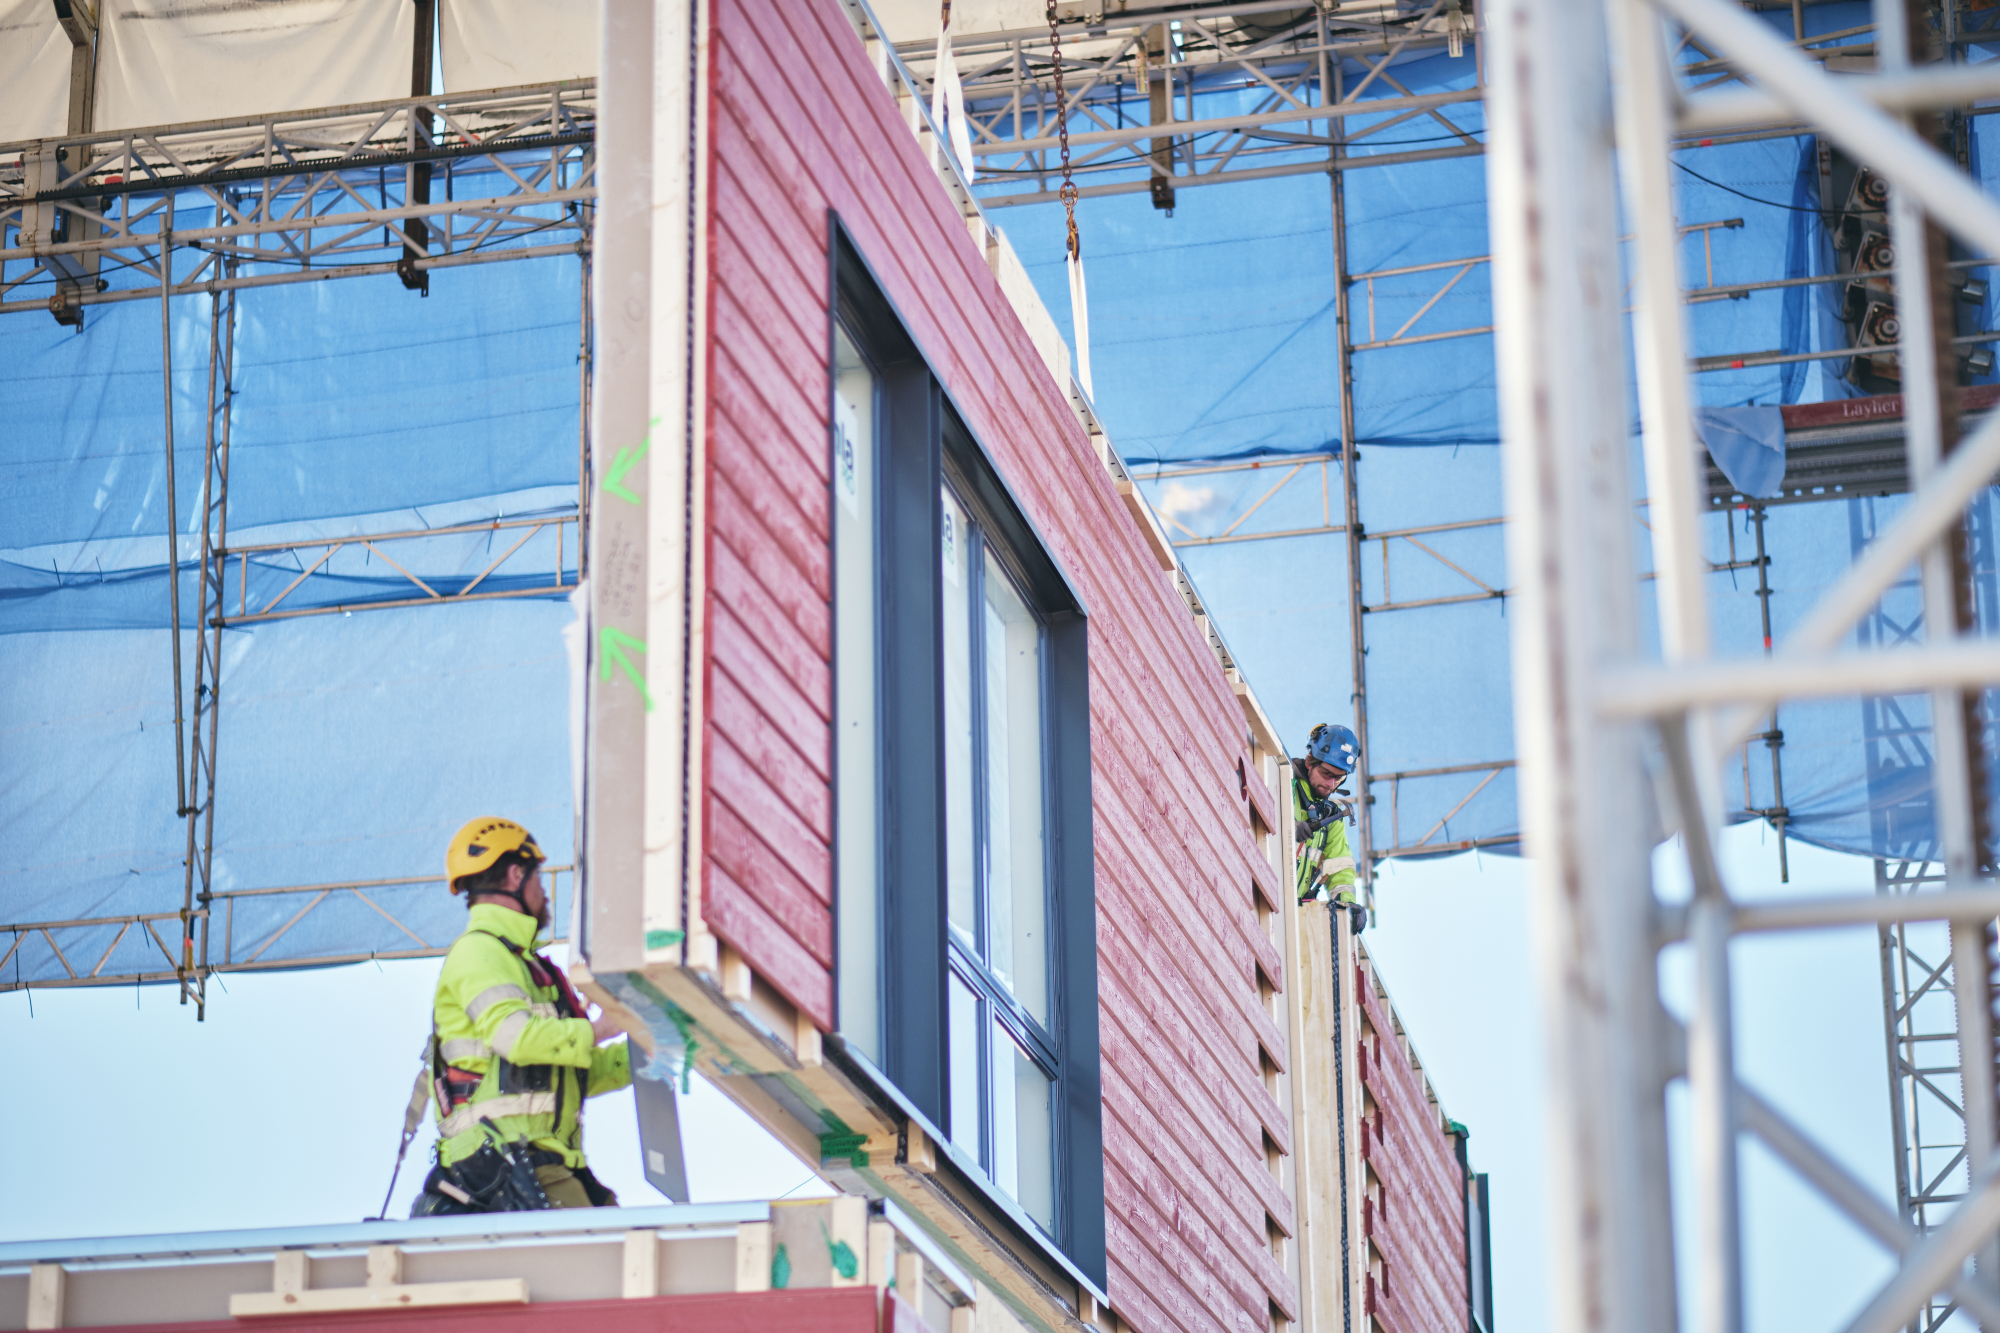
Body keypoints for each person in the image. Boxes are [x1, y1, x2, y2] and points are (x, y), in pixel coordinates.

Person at [410, 817, 633, 1214]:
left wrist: (645, 1055)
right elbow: (516, 1038)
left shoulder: (528, 967)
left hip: (534, 1164)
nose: (544, 893)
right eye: (538, 877)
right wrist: (599, 1029)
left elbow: (565, 1076)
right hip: (500, 1166)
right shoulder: (479, 952)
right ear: (516, 874)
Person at [1294, 723, 1367, 934]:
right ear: (1309, 761)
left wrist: (1347, 904)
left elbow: (1339, 868)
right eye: (1327, 774)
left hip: (1291, 913)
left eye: (1339, 778)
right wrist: (1289, 829)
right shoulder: (1282, 783)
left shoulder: (1332, 818)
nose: (1331, 784)